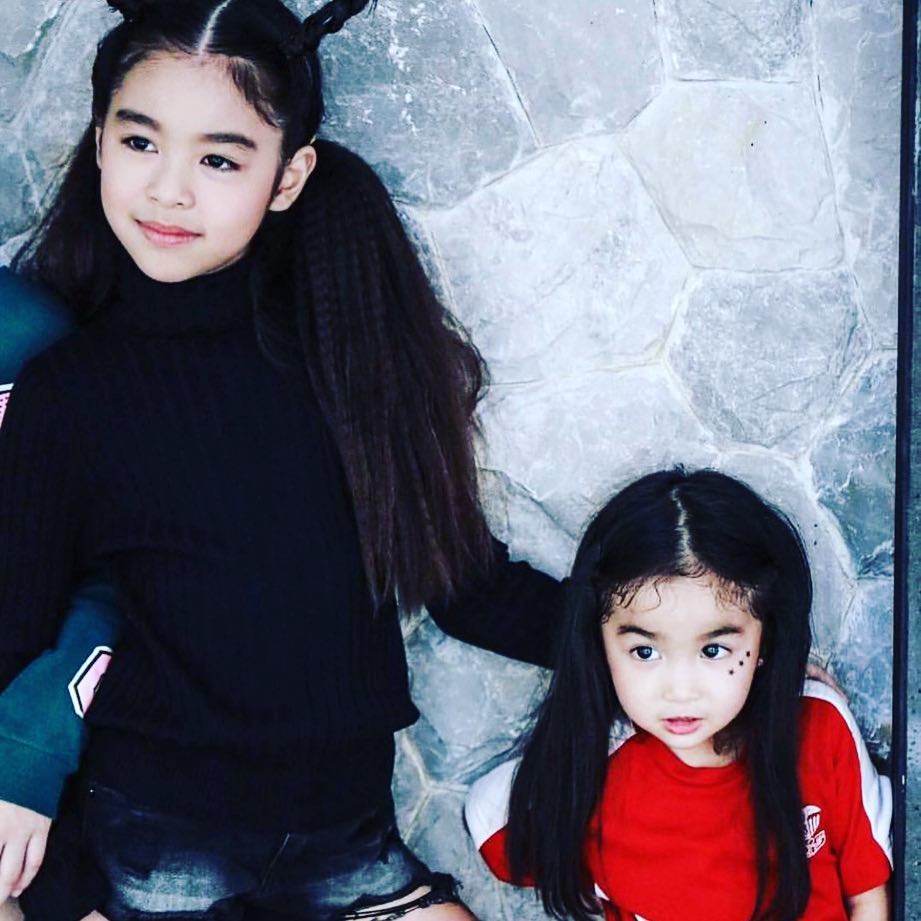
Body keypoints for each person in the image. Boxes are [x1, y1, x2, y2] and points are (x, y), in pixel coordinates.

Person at [0, 1, 564, 919]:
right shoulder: (67, 392)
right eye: (140, 143)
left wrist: (642, 636)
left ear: (289, 175)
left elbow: (464, 586)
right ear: (99, 142)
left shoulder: (349, 358)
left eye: (220, 160)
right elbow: (17, 630)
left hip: (350, 842)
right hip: (153, 847)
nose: (169, 190)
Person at [464, 469, 892, 921]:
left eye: (714, 650)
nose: (680, 690)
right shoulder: (599, 766)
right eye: (644, 652)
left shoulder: (818, 726)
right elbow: (492, 816)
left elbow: (868, 894)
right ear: (599, 645)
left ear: (764, 641)